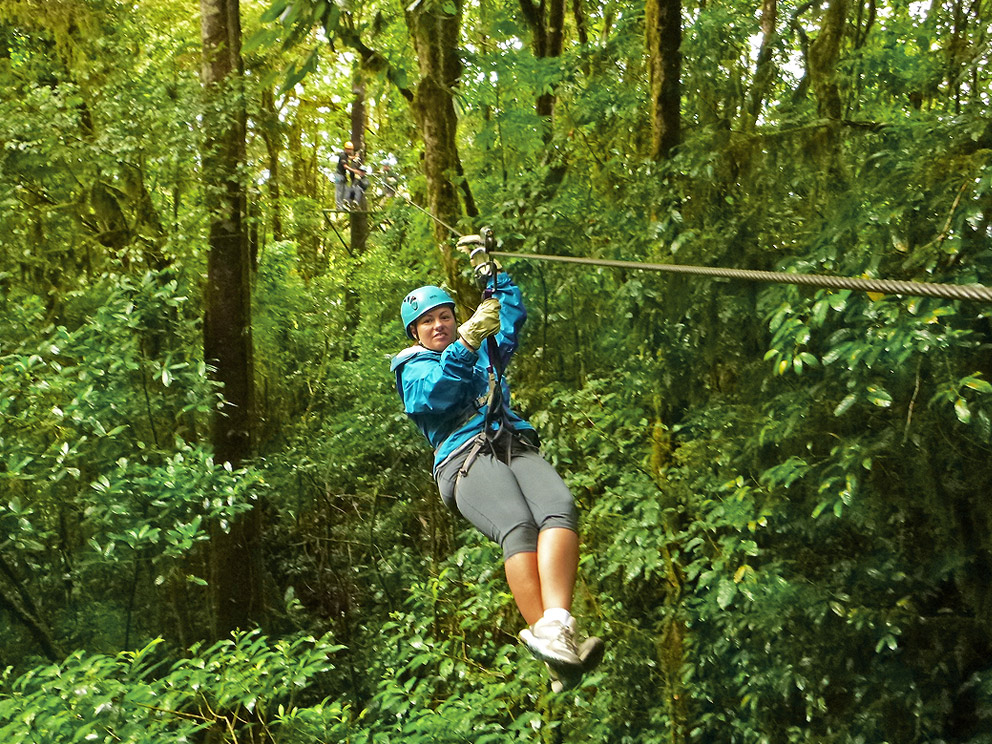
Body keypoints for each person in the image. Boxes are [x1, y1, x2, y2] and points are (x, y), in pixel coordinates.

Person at [389, 234, 604, 692]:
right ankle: (545, 635)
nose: (439, 325)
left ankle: (559, 626)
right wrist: (465, 340)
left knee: (560, 507)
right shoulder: (413, 367)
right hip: (462, 460)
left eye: (445, 316)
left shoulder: (482, 348)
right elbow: (437, 394)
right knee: (518, 526)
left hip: (509, 441)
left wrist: (492, 275)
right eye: (427, 322)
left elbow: (510, 318)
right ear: (415, 333)